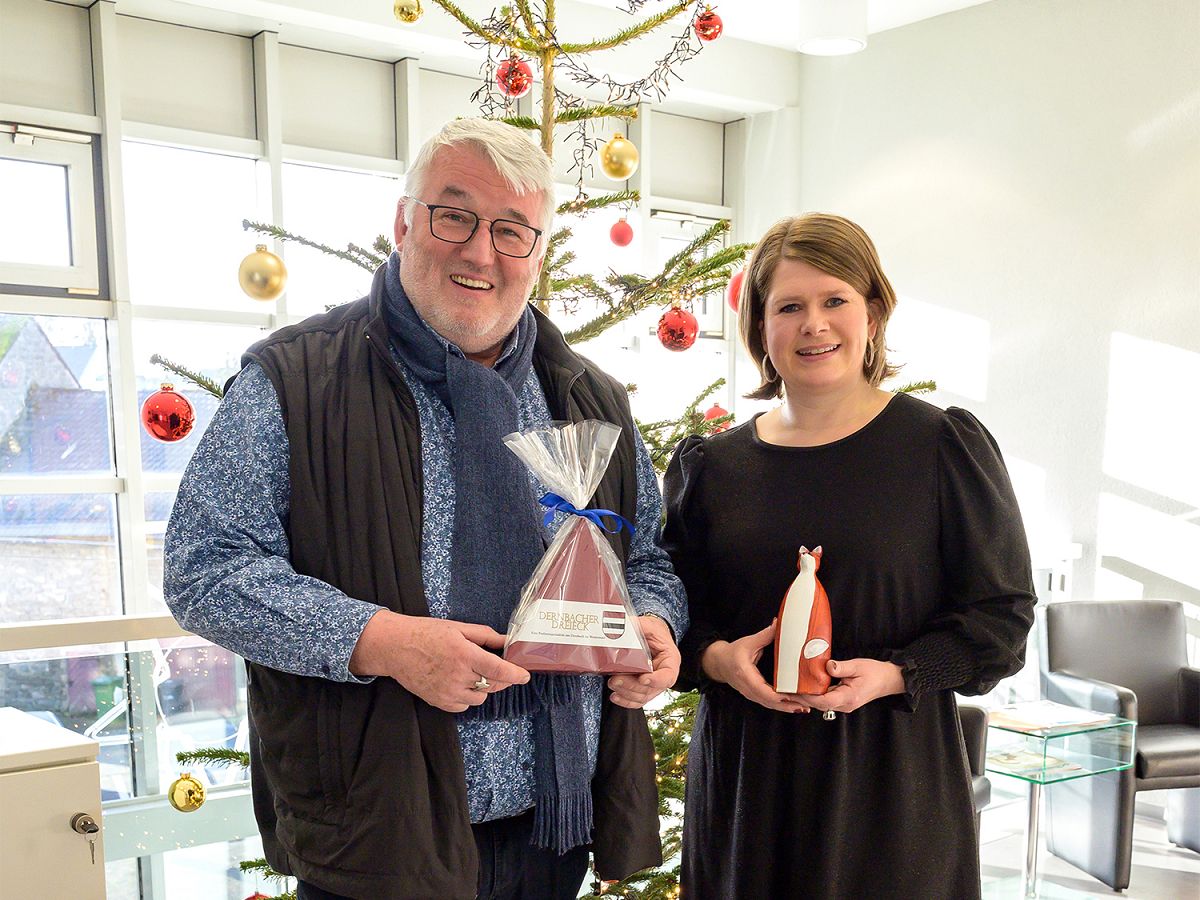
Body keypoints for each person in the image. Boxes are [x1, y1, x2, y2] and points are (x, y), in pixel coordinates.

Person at [164, 118, 686, 900]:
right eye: (456, 216)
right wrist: (383, 641)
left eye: (514, 232)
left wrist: (652, 623)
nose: (481, 252)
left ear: (538, 255)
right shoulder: (295, 383)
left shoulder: (587, 399)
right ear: (405, 222)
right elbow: (203, 569)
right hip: (375, 837)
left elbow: (646, 557)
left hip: (552, 832)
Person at [662, 213, 1036, 898]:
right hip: (748, 788)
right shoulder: (711, 465)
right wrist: (717, 658)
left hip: (891, 786)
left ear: (872, 312)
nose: (815, 324)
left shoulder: (941, 447)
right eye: (789, 307)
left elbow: (1000, 622)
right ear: (760, 329)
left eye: (834, 300)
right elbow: (671, 613)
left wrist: (897, 675)